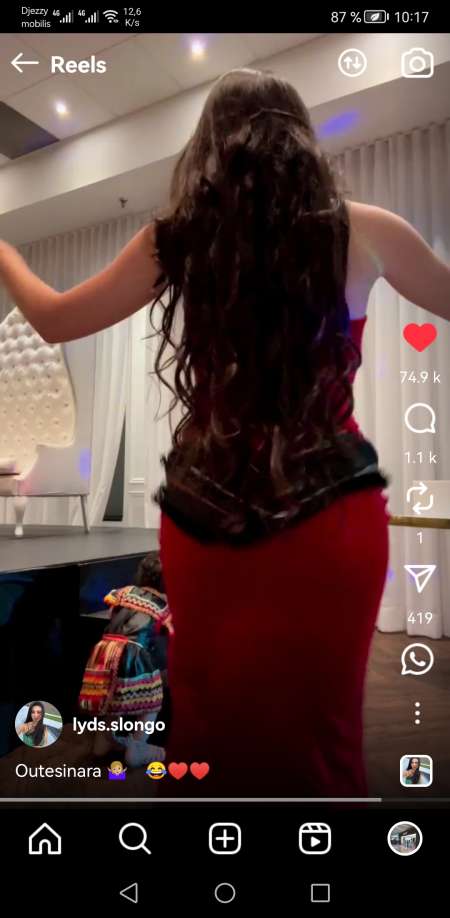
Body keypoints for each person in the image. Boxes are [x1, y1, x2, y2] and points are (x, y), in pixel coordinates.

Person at [1, 68, 450, 795]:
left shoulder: (178, 240)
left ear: (209, 144)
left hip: (206, 510)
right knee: (324, 727)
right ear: (300, 139)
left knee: (208, 715)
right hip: (333, 513)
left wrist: (5, 254)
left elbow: (53, 319)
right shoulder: (366, 230)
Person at [78, 553, 173, 767]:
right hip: (134, 655)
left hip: (104, 650)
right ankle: (137, 747)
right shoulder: (164, 606)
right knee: (151, 703)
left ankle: (104, 741)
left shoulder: (123, 592)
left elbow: (112, 610)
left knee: (112, 699)